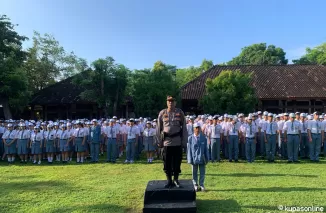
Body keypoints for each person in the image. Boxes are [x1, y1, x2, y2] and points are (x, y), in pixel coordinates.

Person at [156, 95, 188, 188]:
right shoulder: (162, 113)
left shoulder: (180, 112)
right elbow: (158, 127)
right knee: (167, 162)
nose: (171, 103)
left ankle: (176, 179)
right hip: (166, 142)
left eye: (172, 101)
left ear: (175, 103)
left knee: (177, 161)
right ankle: (169, 180)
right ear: (167, 102)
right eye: (169, 101)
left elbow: (184, 127)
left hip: (177, 141)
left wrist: (184, 141)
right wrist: (159, 140)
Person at [187, 122, 208, 192]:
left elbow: (206, 149)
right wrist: (190, 159)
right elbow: (189, 150)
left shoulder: (204, 138)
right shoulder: (190, 138)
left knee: (202, 172)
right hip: (194, 158)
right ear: (193, 129)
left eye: (198, 128)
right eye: (196, 128)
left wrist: (207, 158)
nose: (197, 129)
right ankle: (195, 184)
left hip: (202, 158)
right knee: (194, 172)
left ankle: (201, 185)